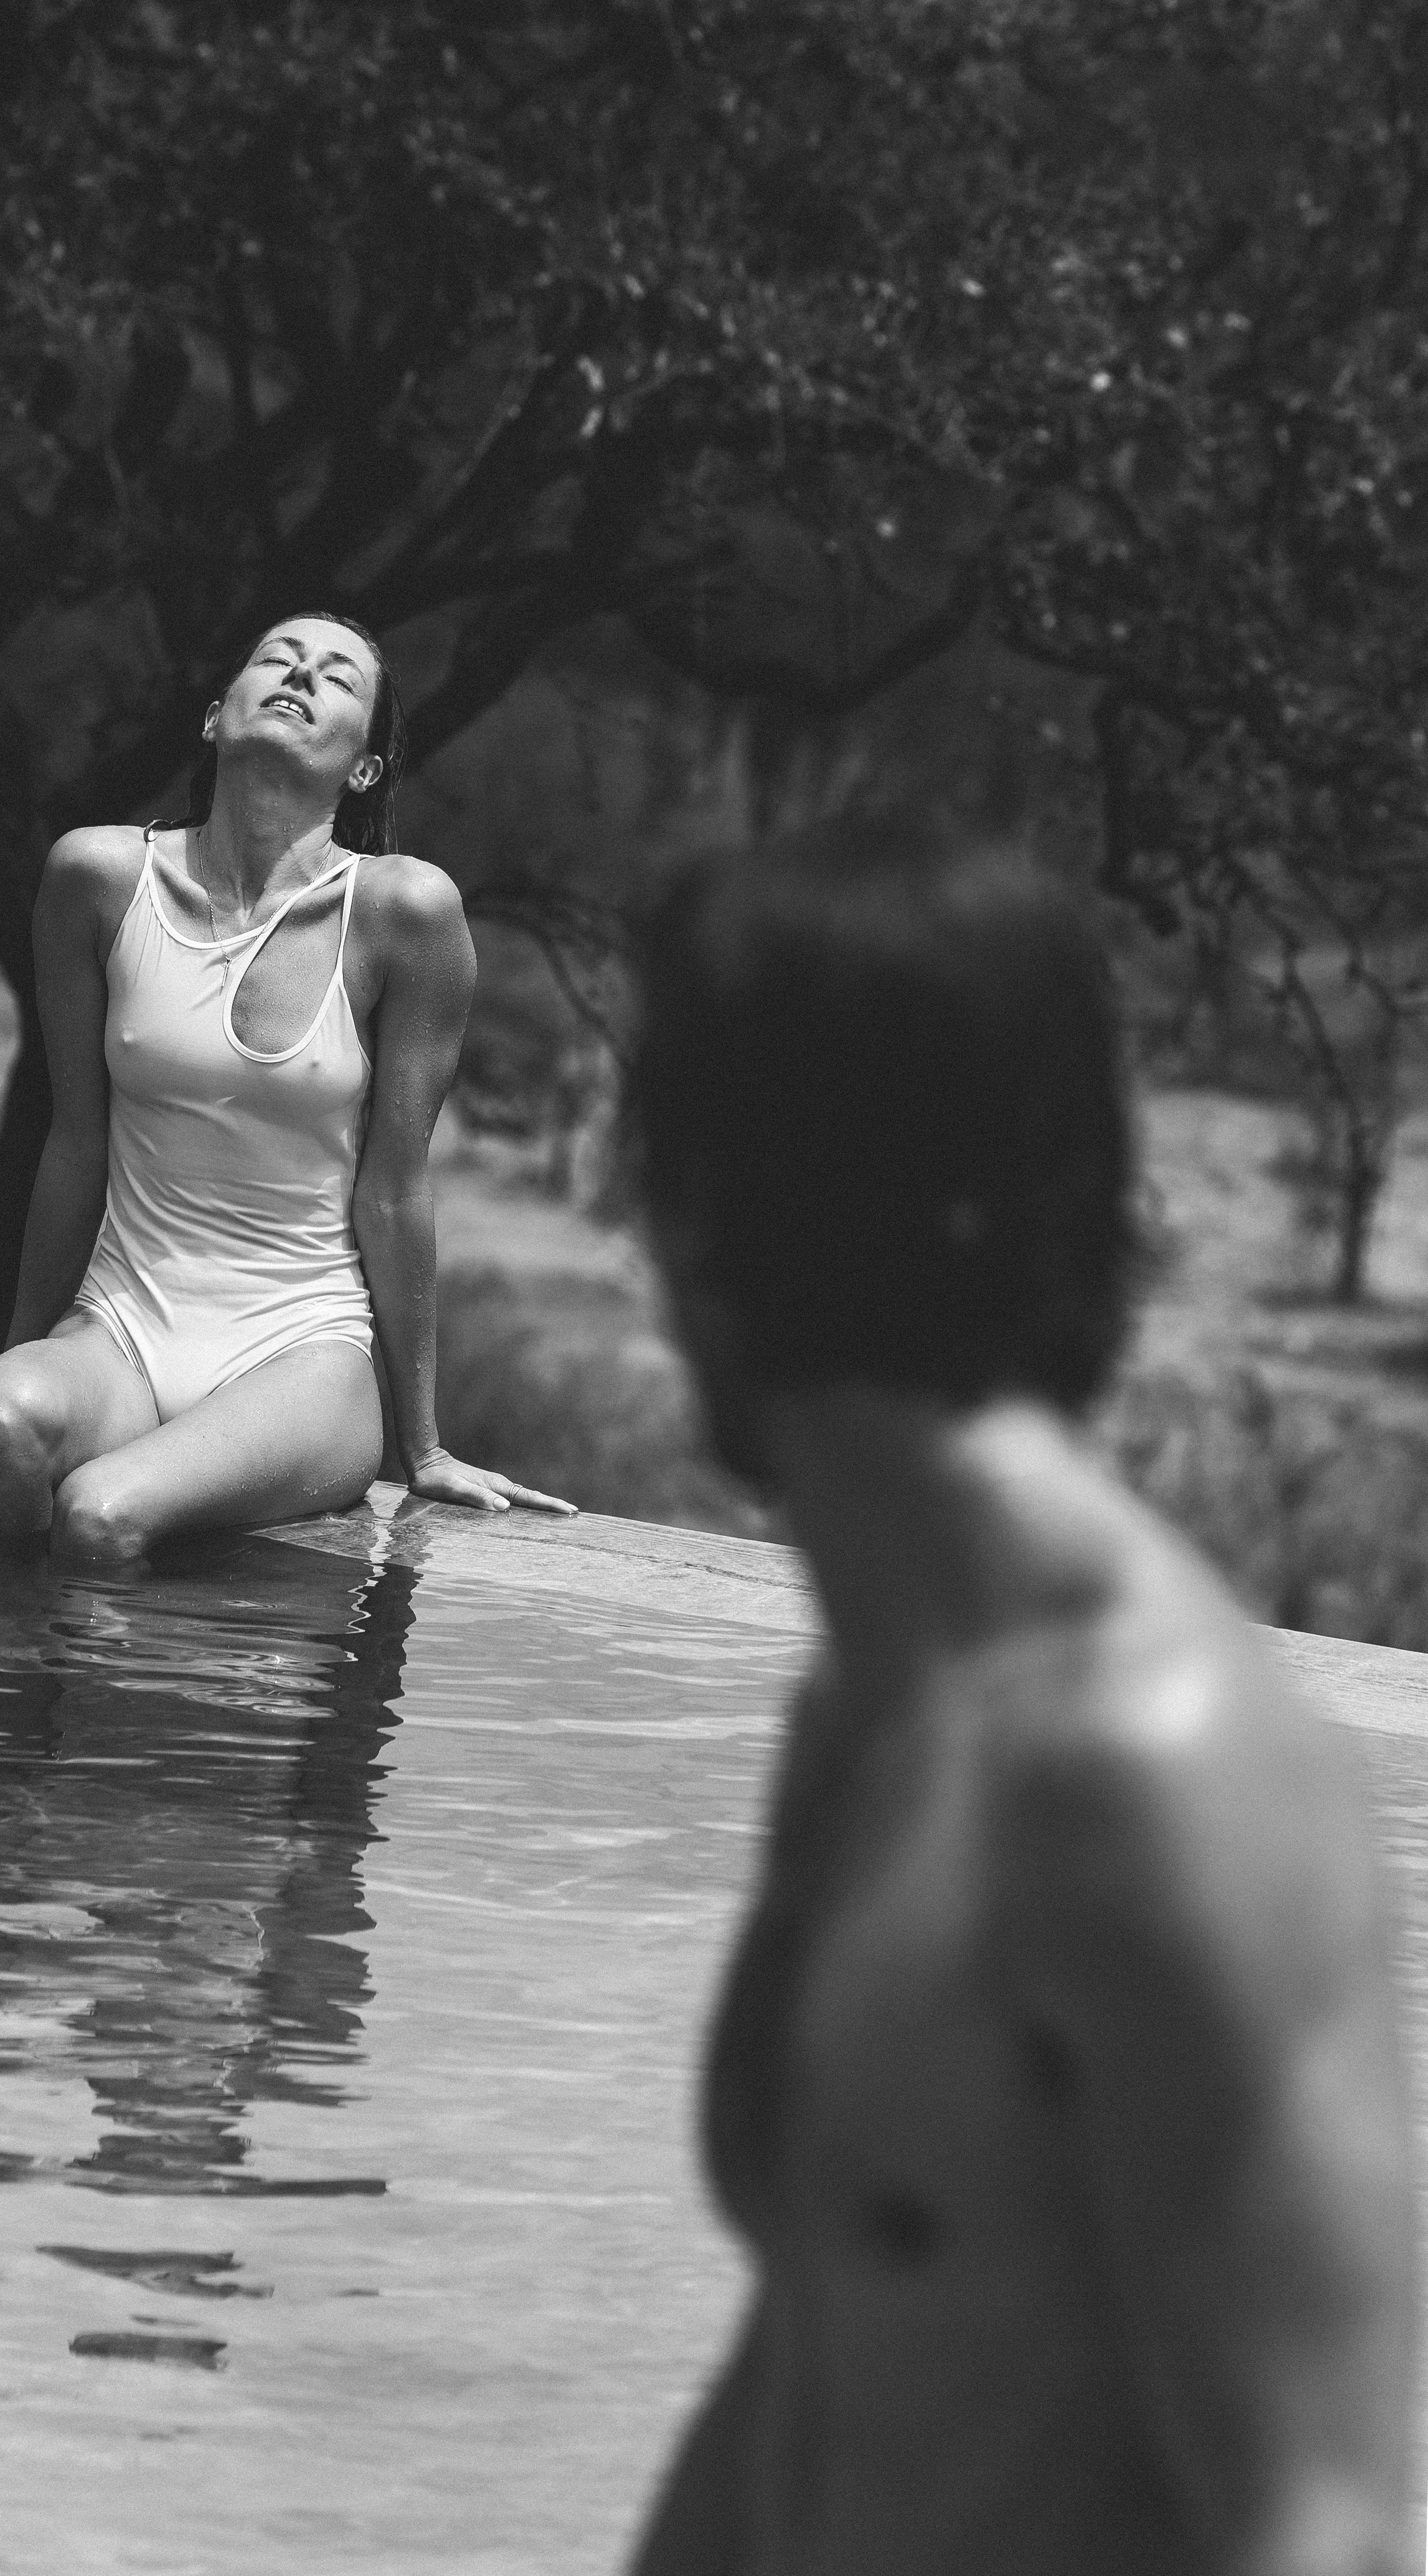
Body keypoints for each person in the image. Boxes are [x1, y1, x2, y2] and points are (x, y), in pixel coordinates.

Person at [629, 808, 1418, 2575]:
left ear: (703, 1218)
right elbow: (806, 2374)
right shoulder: (870, 1717)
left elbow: (1330, 2523)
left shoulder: (1155, 1776)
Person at [0, 612, 571, 1559]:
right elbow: (75, 1141)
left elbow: (395, 1190)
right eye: (278, 658)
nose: (300, 676)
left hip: (301, 1352)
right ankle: (6, 1707)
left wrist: (424, 1444)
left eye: (336, 679)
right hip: (120, 1325)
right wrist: (12, 1357)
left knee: (101, 1512)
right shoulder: (97, 876)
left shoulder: (406, 914)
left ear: (362, 768)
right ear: (211, 718)